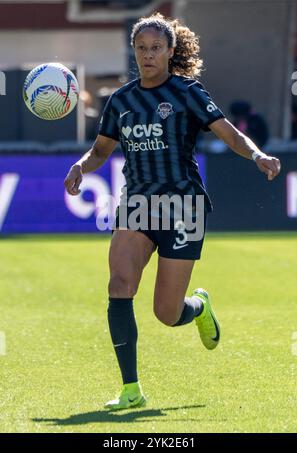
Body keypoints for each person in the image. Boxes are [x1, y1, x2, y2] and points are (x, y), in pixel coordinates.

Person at [64, 13, 281, 411]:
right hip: (137, 205)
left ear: (170, 51)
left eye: (156, 48)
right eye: (141, 49)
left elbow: (227, 132)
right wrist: (81, 166)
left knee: (167, 312)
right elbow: (100, 151)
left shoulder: (187, 92)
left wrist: (256, 153)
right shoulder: (121, 100)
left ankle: (199, 307)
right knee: (118, 285)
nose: (148, 55)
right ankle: (131, 388)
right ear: (135, 52)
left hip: (182, 206)